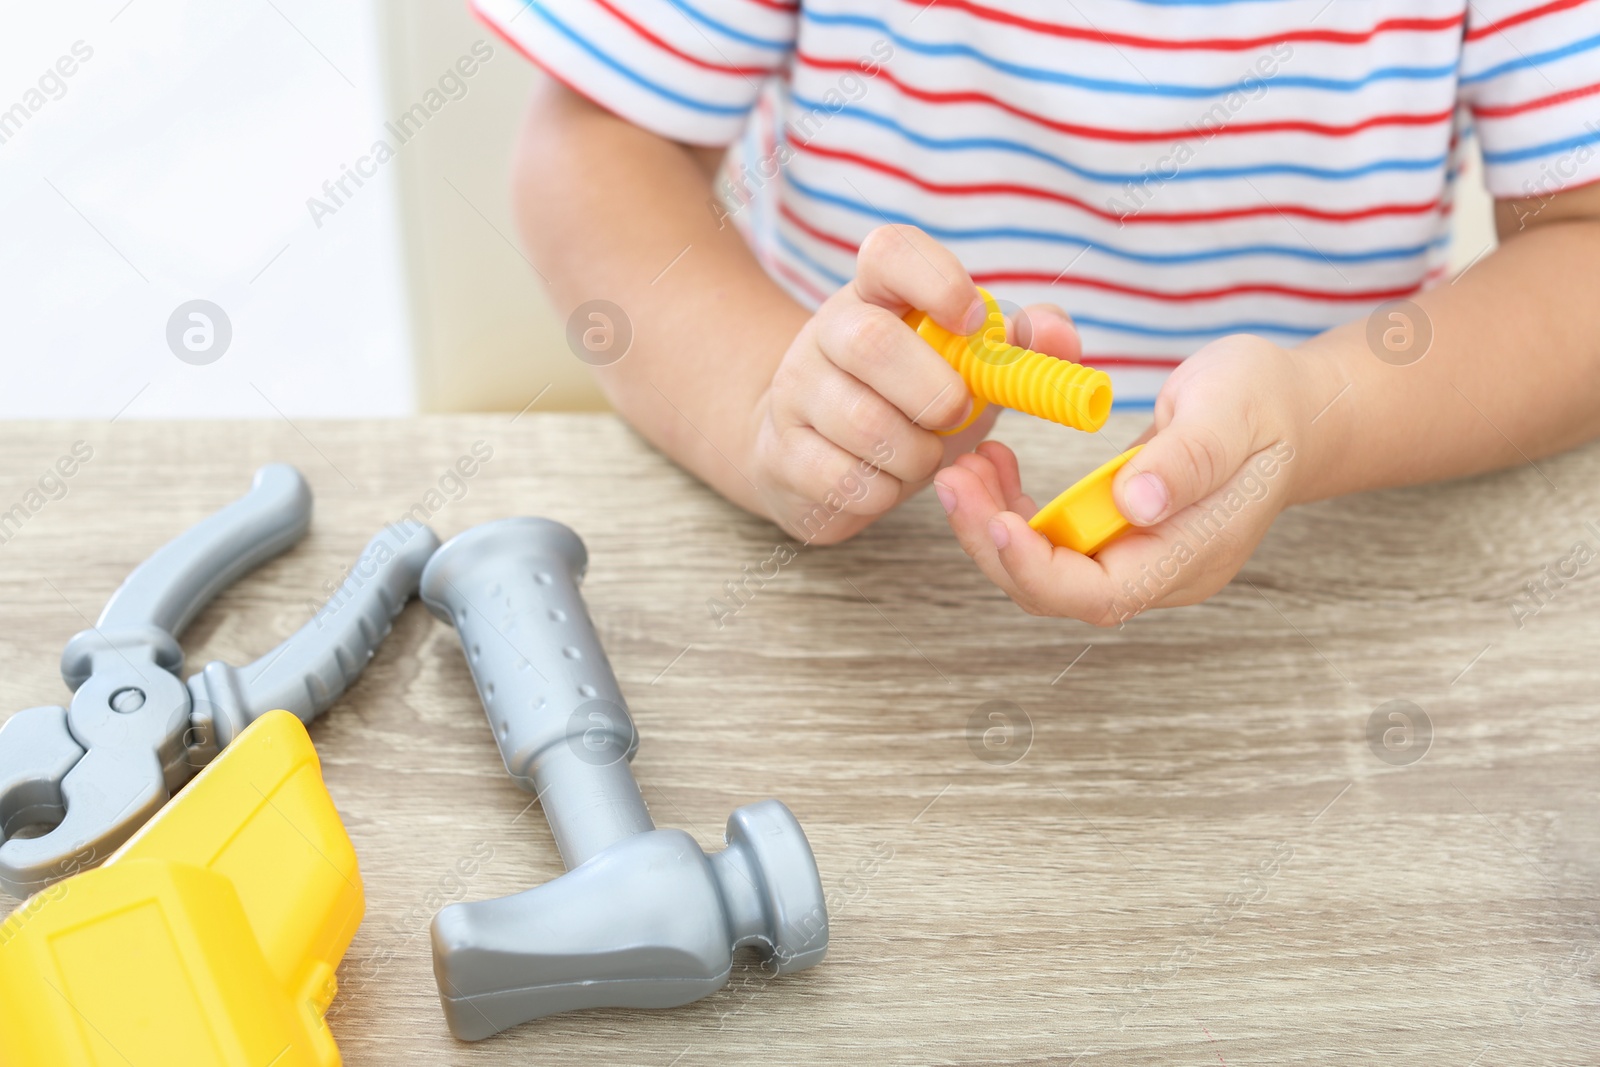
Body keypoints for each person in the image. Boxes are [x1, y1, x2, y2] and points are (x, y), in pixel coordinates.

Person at [482, 0, 1600, 623]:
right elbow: (592, 148)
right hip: (852, 595)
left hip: (1338, 571)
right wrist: (763, 408)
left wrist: (1323, 412)